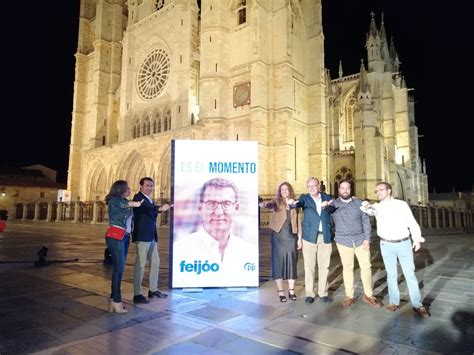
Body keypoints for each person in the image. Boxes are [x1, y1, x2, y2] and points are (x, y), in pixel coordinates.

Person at [173, 177, 257, 287]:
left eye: (226, 204)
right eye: (211, 204)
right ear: (199, 208)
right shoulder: (179, 251)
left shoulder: (250, 252)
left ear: (236, 208)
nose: (218, 212)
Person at [361, 182, 430, 317]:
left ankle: (417, 304)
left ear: (389, 191)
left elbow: (411, 221)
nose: (378, 192)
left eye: (381, 190)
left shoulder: (401, 205)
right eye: (377, 191)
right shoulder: (377, 207)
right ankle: (393, 302)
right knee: (391, 274)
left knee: (409, 274)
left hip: (403, 243)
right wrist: (365, 204)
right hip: (386, 245)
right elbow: (367, 210)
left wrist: (416, 238)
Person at [325, 179, 382, 308]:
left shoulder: (359, 203)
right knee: (347, 268)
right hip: (343, 240)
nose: (345, 190)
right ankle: (349, 296)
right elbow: (324, 217)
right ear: (338, 190)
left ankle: (368, 295)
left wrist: (367, 239)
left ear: (351, 190)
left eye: (347, 188)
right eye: (342, 188)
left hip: (360, 239)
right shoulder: (333, 205)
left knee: (366, 266)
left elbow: (365, 222)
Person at [288, 177, 334, 304]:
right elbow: (296, 204)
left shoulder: (327, 197)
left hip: (325, 236)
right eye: (309, 186)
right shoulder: (304, 198)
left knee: (324, 266)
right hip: (309, 237)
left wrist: (328, 206)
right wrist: (292, 203)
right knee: (309, 267)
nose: (312, 188)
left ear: (318, 185)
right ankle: (310, 293)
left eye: (314, 185)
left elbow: (333, 210)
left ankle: (323, 293)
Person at [105, 180, 142, 314]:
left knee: (120, 268)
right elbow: (124, 204)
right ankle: (116, 300)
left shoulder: (124, 202)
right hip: (115, 237)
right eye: (127, 188)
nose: (129, 190)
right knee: (119, 268)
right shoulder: (115, 200)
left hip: (124, 237)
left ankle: (112, 299)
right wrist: (136, 203)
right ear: (120, 189)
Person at [260, 182, 302, 302]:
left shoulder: (295, 204)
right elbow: (268, 205)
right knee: (278, 263)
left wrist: (299, 238)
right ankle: (280, 292)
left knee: (291, 263)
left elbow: (298, 222)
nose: (284, 191)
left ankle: (291, 291)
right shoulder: (276, 202)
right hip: (278, 236)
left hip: (291, 237)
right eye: (282, 189)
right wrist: (262, 203)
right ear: (280, 191)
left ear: (290, 190)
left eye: (286, 189)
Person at [132, 177, 171, 304]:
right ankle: (137, 294)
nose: (150, 188)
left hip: (152, 235)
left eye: (152, 186)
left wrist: (160, 208)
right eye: (147, 185)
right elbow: (148, 208)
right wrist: (160, 208)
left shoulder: (149, 199)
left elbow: (151, 209)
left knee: (155, 262)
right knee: (141, 264)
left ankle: (153, 290)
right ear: (141, 187)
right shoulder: (138, 198)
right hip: (142, 236)